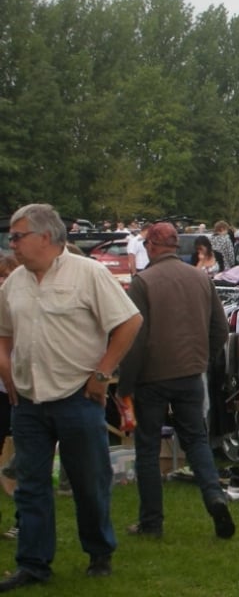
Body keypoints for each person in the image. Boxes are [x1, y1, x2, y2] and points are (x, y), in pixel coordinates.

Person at [0, 204, 142, 589]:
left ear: (45, 237)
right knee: (30, 486)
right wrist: (6, 369)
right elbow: (3, 332)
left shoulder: (89, 273)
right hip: (28, 403)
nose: (12, 244)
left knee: (88, 483)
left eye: (17, 236)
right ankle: (32, 564)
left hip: (77, 398)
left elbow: (130, 321)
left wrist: (102, 372)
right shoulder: (15, 282)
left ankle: (99, 553)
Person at [118, 223, 234, 540]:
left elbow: (136, 339)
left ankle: (151, 523)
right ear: (175, 247)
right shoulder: (200, 278)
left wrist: (124, 385)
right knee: (196, 441)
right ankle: (214, 496)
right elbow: (221, 330)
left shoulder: (143, 282)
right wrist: (202, 359)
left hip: (151, 378)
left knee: (147, 448)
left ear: (153, 246)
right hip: (190, 374)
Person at [0, 257, 18, 540]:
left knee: (28, 458)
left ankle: (23, 522)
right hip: (4, 391)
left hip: (24, 391)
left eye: (8, 274)